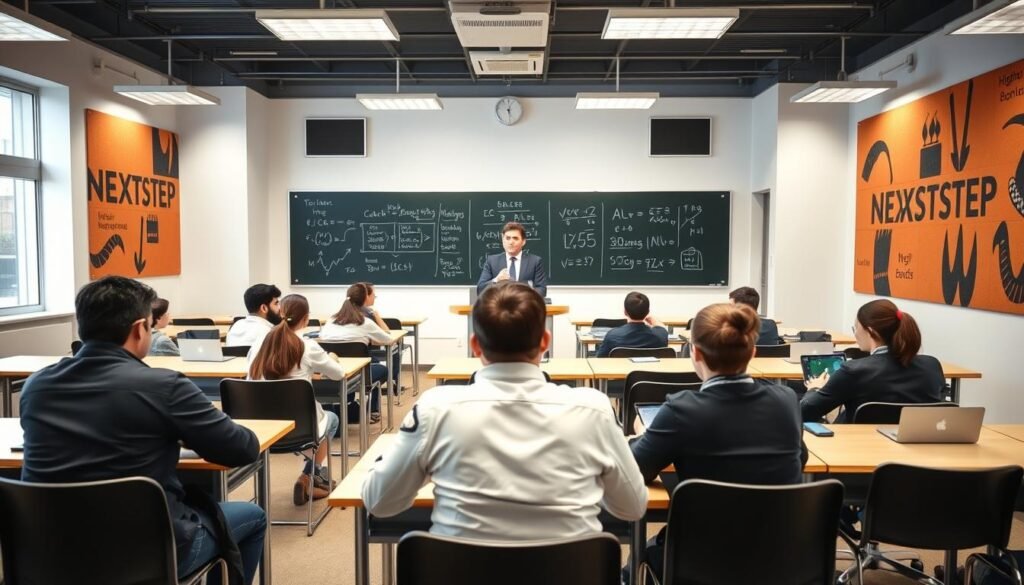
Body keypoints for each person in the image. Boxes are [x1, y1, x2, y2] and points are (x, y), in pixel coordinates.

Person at [20, 276, 265, 584]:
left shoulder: (36, 385)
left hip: (49, 550)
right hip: (146, 549)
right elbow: (241, 449)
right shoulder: (164, 387)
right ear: (139, 329)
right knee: (252, 516)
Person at [362, 281, 647, 540]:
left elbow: (379, 502)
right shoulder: (593, 410)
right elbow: (633, 507)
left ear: (475, 346)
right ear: (545, 342)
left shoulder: (434, 410)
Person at [628, 302, 804, 583]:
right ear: (753, 351)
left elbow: (636, 469)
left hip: (701, 558)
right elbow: (800, 458)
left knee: (638, 559)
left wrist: (642, 434)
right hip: (781, 555)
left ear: (695, 352)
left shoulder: (681, 410)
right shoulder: (787, 401)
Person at [247, 293, 342, 505]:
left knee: (318, 419)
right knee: (332, 419)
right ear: (306, 319)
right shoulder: (307, 346)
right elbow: (338, 374)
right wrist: (330, 360)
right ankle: (310, 476)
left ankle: (310, 478)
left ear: (280, 314)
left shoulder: (258, 344)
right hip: (300, 428)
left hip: (259, 427)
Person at [800, 299, 944, 423]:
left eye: (855, 328)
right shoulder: (932, 365)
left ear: (870, 331)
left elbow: (804, 413)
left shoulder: (853, 371)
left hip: (860, 450)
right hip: (920, 449)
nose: (855, 334)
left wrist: (815, 388)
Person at [320, 282, 392, 420]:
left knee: (368, 364)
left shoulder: (330, 321)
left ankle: (348, 406)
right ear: (365, 299)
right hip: (358, 377)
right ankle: (371, 410)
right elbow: (388, 339)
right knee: (382, 369)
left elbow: (323, 339)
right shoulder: (365, 322)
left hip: (331, 374)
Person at [476, 221, 547, 298]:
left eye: (515, 238)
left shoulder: (535, 262)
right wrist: (496, 280)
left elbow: (542, 290)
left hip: (524, 306)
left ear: (523, 241)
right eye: (507, 238)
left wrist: (522, 297)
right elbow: (480, 289)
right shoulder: (492, 261)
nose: (511, 242)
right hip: (500, 307)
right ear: (503, 240)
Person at [595, 291, 668, 357]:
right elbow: (662, 328)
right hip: (651, 371)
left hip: (621, 371)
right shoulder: (660, 336)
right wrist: (651, 318)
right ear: (648, 312)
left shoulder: (612, 335)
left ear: (625, 312)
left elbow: (600, 360)